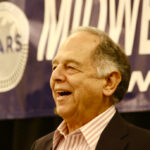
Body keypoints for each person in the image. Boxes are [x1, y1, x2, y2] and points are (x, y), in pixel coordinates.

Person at [31, 26, 150, 150]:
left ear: (109, 82)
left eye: (71, 67)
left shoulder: (144, 144)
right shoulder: (39, 146)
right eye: (54, 67)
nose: (55, 76)